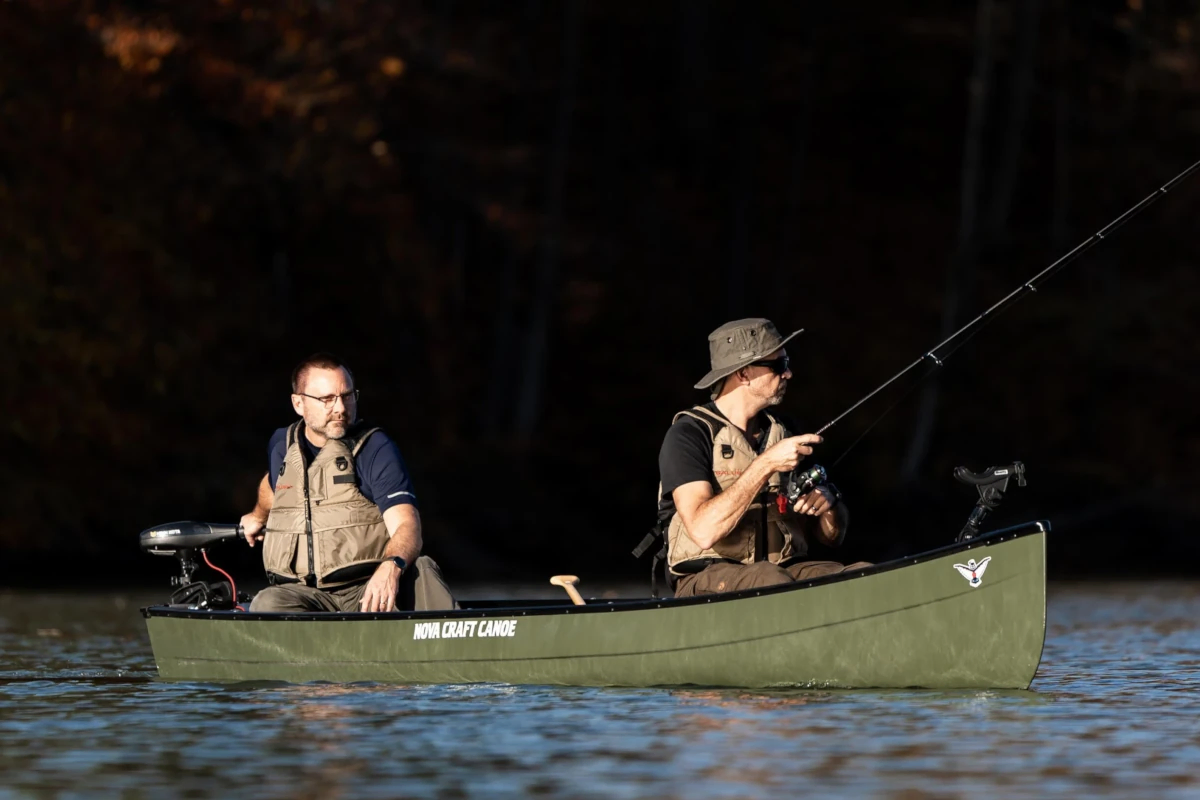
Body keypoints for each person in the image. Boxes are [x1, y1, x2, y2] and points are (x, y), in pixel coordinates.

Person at [657, 318, 870, 597]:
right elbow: (703, 531)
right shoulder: (689, 435)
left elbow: (833, 538)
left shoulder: (785, 432)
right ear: (743, 373)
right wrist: (767, 463)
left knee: (865, 576)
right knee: (771, 580)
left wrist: (828, 505)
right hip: (707, 577)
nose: (788, 373)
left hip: (784, 569)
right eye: (779, 365)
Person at [239, 353, 458, 613]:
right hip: (306, 595)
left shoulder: (375, 449)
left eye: (347, 396)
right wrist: (258, 516)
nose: (341, 408)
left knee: (421, 570)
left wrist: (391, 566)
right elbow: (274, 484)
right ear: (298, 403)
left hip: (369, 589)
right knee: (266, 603)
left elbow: (407, 525)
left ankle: (461, 635)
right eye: (327, 399)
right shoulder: (281, 445)